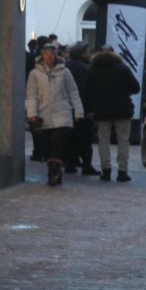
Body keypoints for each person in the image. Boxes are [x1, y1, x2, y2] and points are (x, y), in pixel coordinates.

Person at [25, 41, 84, 186]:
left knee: (57, 142)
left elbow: (73, 92)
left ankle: (53, 173)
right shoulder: (34, 74)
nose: (49, 57)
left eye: (52, 54)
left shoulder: (65, 72)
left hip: (62, 112)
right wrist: (32, 113)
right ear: (42, 55)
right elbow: (31, 95)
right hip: (44, 113)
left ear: (56, 55)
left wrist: (78, 112)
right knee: (46, 144)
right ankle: (55, 170)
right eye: (46, 54)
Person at [86, 47, 141, 182]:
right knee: (123, 140)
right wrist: (124, 92)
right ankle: (122, 171)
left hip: (101, 109)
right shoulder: (122, 68)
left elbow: (88, 91)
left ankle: (106, 170)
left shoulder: (93, 69)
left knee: (103, 140)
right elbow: (136, 87)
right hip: (122, 109)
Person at [64, 43, 98, 175]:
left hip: (66, 107)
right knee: (85, 138)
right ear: (82, 53)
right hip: (82, 108)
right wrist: (90, 109)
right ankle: (87, 165)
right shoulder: (85, 69)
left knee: (70, 137)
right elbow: (86, 91)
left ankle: (70, 163)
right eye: (88, 52)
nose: (89, 54)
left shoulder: (65, 66)